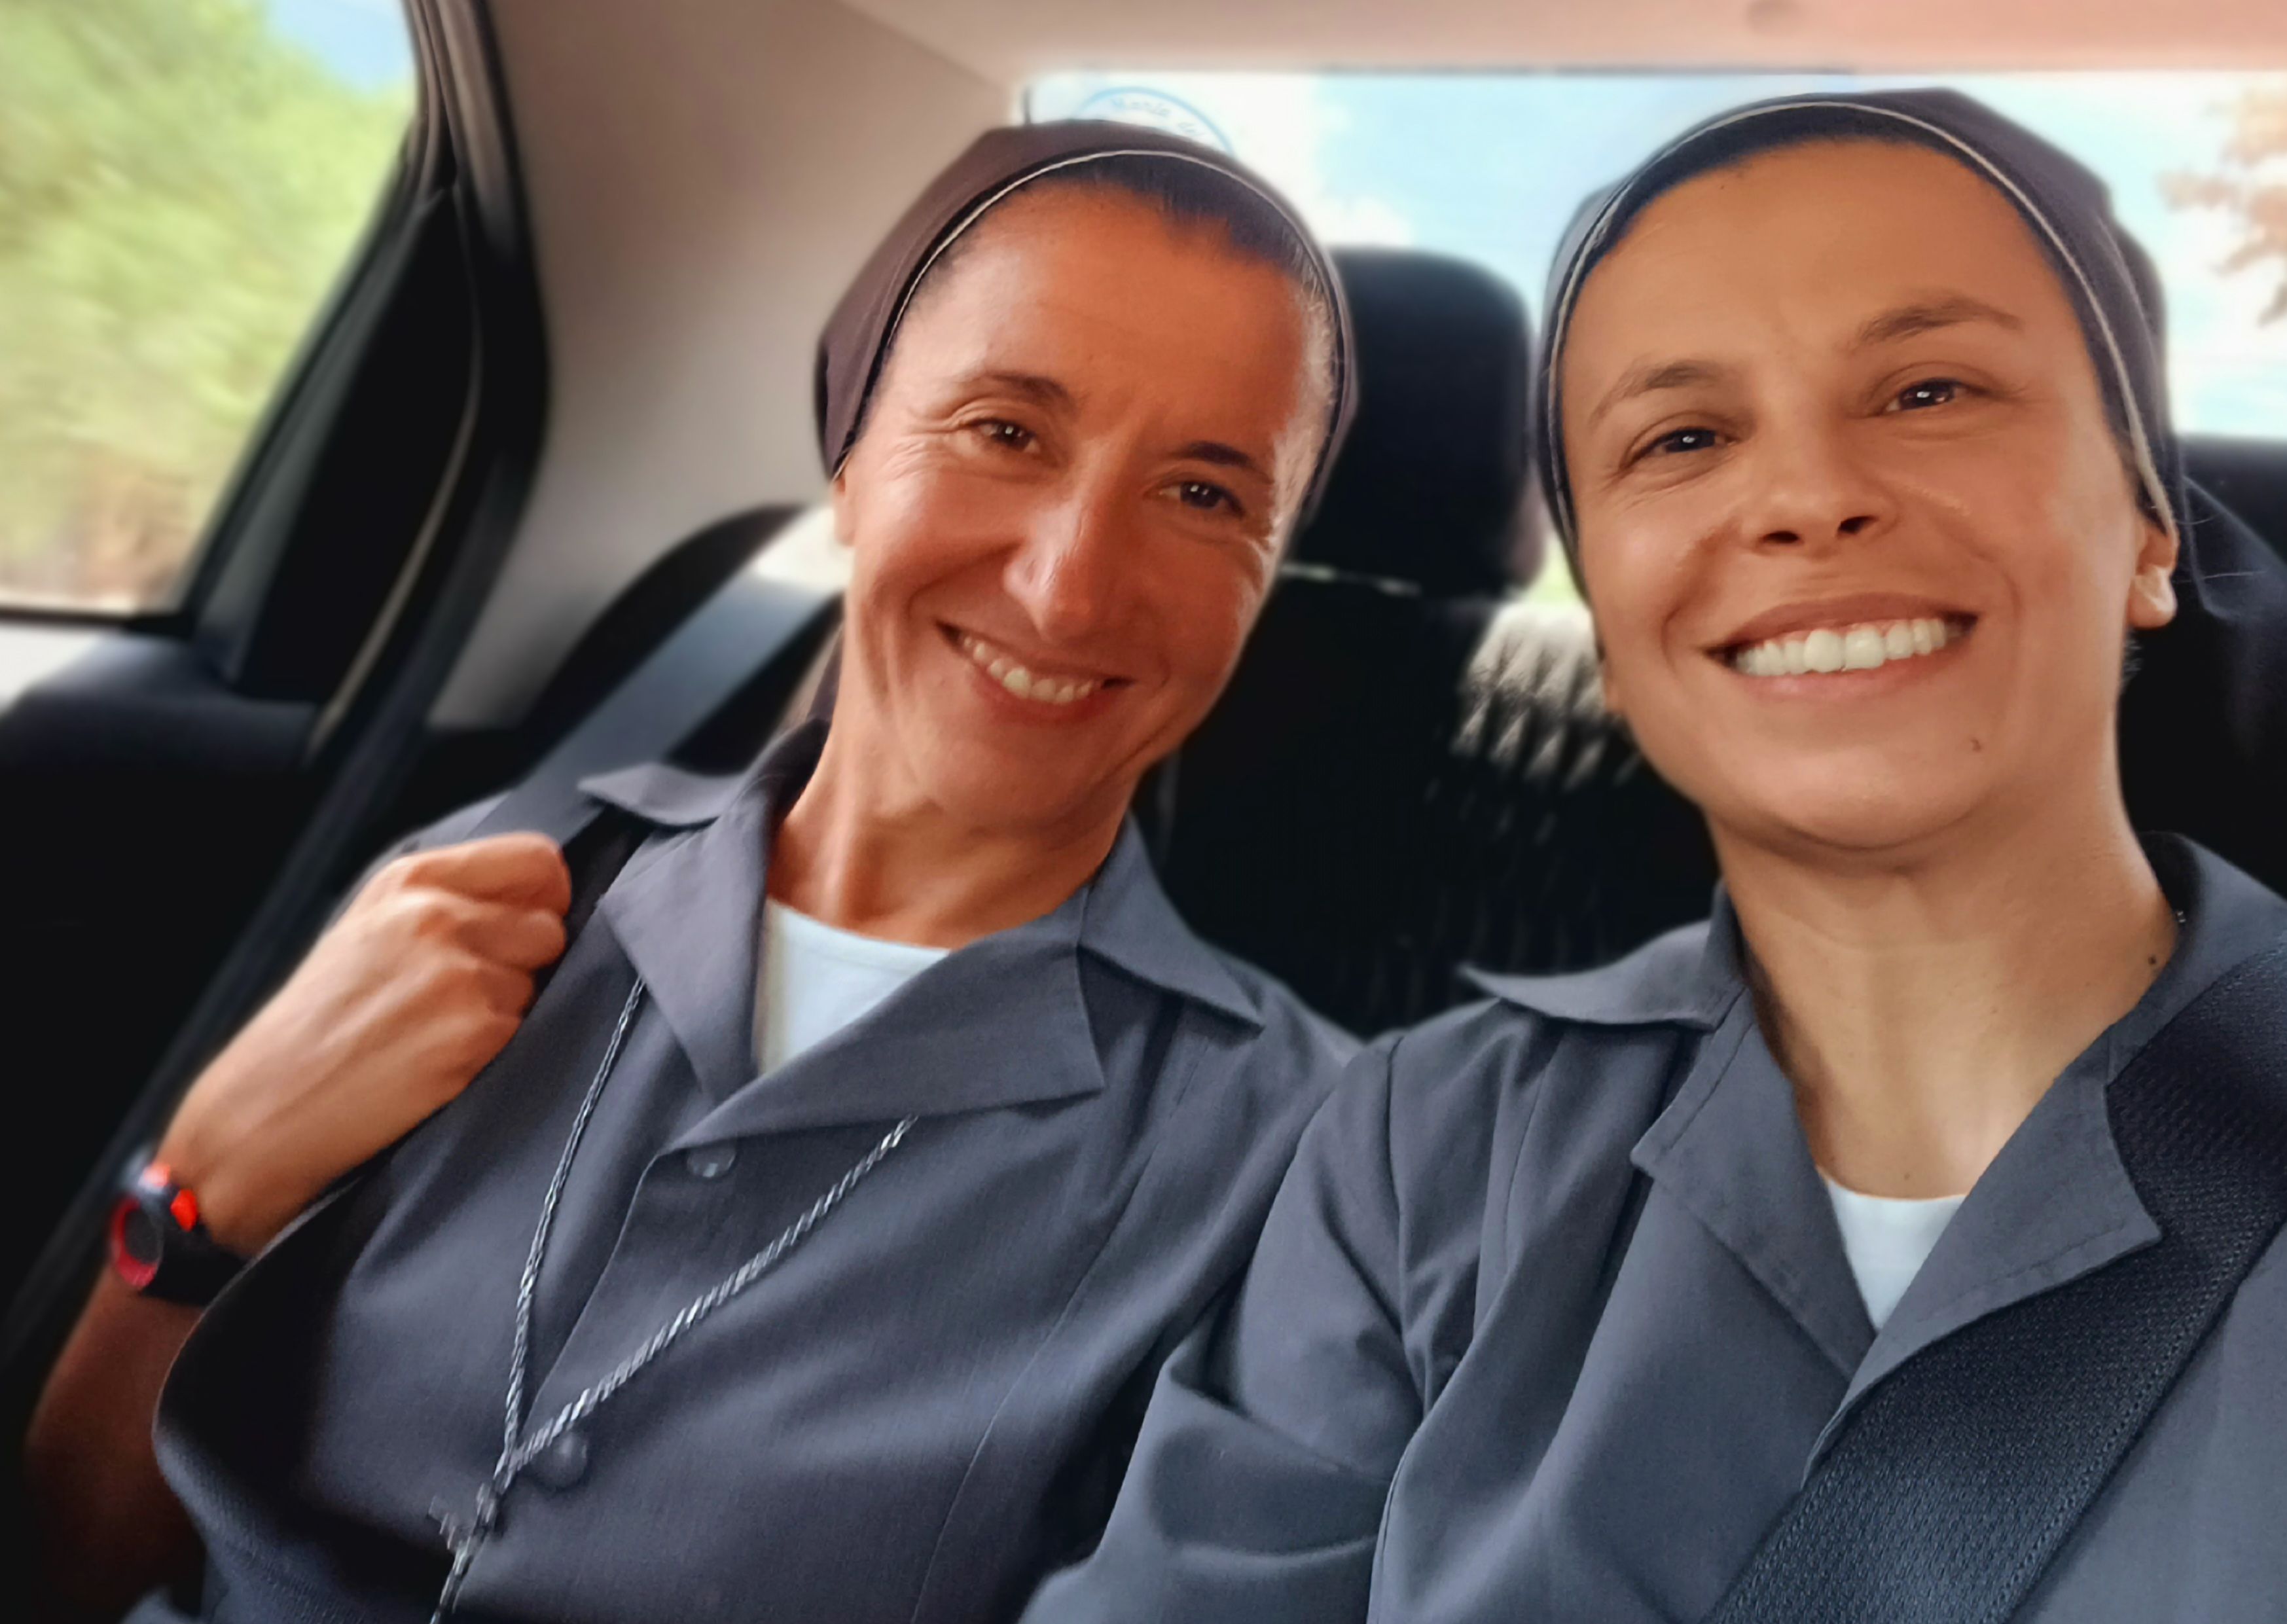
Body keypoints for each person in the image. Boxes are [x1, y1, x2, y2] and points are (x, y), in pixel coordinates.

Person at [1024, 90, 2287, 1624]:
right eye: (1680, 435)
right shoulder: (1422, 1149)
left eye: (1930, 389)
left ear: (2146, 530)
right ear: (1610, 613)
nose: (1802, 496)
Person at [27, 120, 1358, 1624]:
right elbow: (66, 1562)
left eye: (1202, 494)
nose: (1068, 580)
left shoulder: (1314, 1166)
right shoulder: (475, 882)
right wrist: (198, 1190)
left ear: (1265, 572)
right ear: (849, 457)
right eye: (1004, 428)